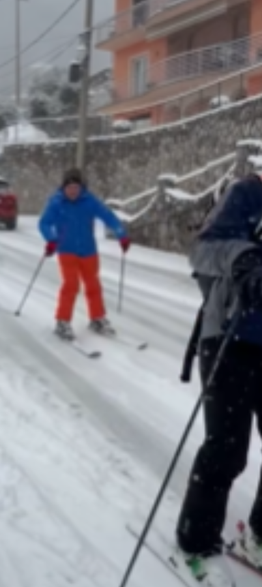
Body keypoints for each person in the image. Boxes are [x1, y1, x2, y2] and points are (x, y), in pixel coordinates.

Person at [172, 172, 262, 586]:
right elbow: (203, 252)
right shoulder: (247, 193)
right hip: (231, 334)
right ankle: (195, 538)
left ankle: (258, 539)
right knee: (227, 448)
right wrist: (244, 260)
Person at [37, 168, 130, 341]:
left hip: (88, 250)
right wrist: (51, 239)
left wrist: (121, 235)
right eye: (69, 187)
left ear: (81, 188)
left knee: (93, 285)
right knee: (71, 285)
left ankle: (97, 318)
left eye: (76, 187)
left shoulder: (89, 201)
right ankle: (62, 321)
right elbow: (44, 223)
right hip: (66, 250)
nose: (72, 191)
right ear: (64, 187)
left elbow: (108, 216)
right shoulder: (56, 203)